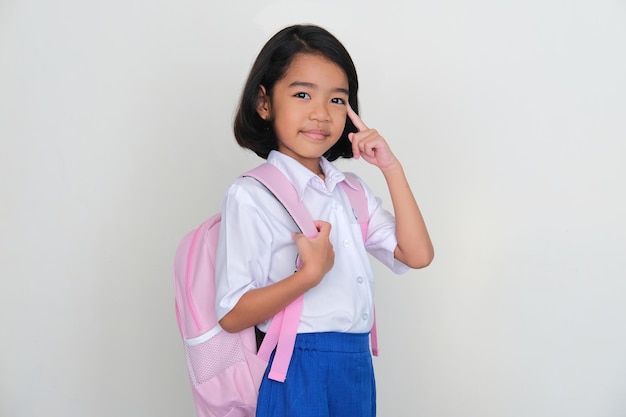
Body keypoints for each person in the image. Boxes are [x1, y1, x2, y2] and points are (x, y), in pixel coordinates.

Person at [214, 24, 434, 417]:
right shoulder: (252, 194)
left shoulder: (349, 190)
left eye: (337, 100)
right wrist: (308, 276)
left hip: (355, 365)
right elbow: (232, 315)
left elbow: (416, 255)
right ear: (264, 103)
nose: (320, 114)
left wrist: (391, 168)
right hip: (295, 367)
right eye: (302, 94)